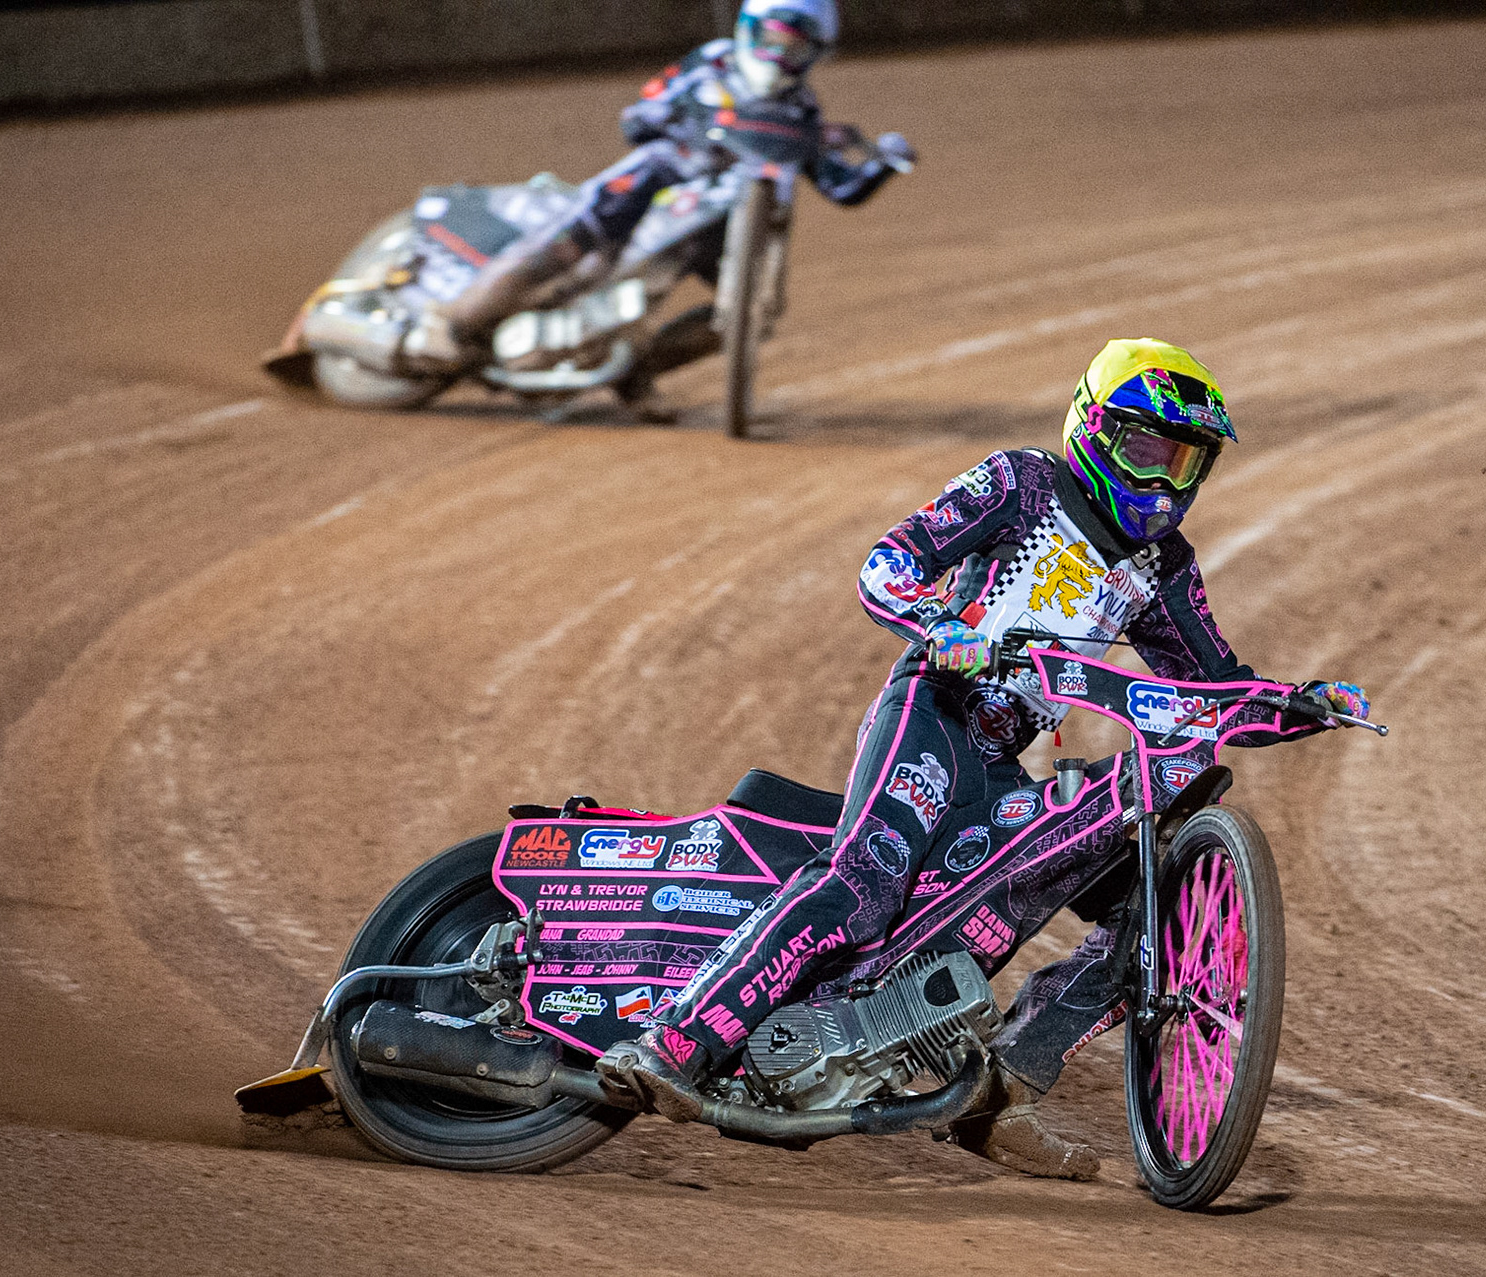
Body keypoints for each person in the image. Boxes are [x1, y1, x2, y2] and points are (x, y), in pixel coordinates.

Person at [596, 337, 1370, 1179]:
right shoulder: (1020, 482)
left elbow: (1214, 688)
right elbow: (887, 564)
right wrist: (939, 625)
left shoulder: (1163, 566)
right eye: (1146, 451)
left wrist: (1304, 703)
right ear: (1095, 430)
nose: (1161, 480)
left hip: (1003, 759)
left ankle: (1002, 1089)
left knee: (1143, 917)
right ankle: (673, 1040)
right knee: (863, 884)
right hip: (931, 713)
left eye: (1183, 462)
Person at [398, 0, 914, 391]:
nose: (780, 56)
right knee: (570, 242)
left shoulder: (803, 112)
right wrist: (691, 126)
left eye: (795, 48)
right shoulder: (713, 63)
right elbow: (641, 115)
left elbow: (839, 187)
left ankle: (634, 371)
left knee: (753, 315)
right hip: (663, 180)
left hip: (727, 219)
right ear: (748, 30)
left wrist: (883, 165)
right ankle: (451, 321)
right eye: (773, 40)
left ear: (816, 54)